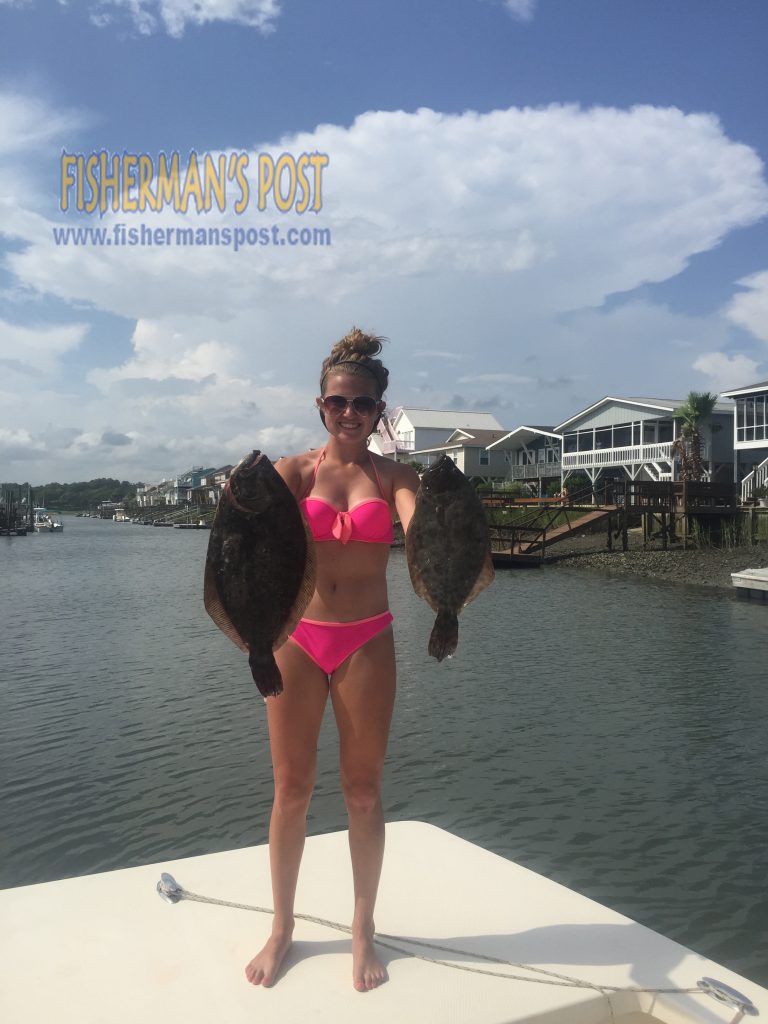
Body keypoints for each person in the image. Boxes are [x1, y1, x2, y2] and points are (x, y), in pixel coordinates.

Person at [245, 328, 420, 992]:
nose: (351, 413)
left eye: (365, 404)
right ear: (320, 405)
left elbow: (420, 521)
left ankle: (362, 927)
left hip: (366, 638)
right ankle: (283, 926)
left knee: (363, 791)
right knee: (291, 789)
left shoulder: (395, 476)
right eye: (340, 402)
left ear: (381, 410)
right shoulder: (292, 474)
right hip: (296, 637)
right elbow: (246, 539)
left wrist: (434, 521)